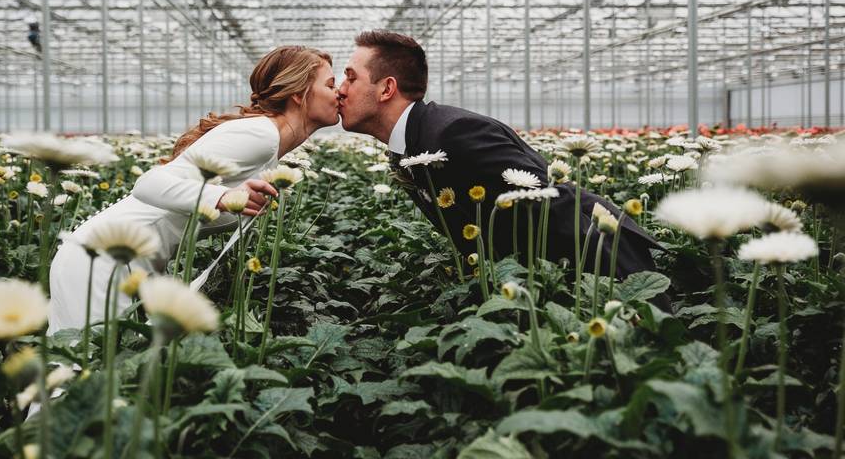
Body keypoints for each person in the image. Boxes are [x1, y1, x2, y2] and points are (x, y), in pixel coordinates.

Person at [48, 46, 339, 334]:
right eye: (330, 84)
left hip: (124, 264)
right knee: (92, 371)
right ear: (299, 94)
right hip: (102, 262)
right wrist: (222, 198)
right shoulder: (260, 134)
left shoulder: (269, 141)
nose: (338, 93)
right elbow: (148, 184)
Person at [337, 30, 662, 282]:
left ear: (386, 88)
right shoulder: (413, 141)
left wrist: (624, 291)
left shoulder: (453, 134)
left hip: (601, 275)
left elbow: (554, 205)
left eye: (351, 77)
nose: (340, 88)